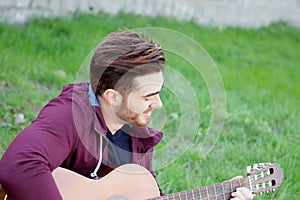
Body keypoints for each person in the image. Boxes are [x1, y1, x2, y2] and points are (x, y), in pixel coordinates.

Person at [0, 30, 252, 200]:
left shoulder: (136, 135)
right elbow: (17, 166)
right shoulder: (69, 114)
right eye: (147, 96)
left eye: (159, 92)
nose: (159, 104)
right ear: (112, 97)